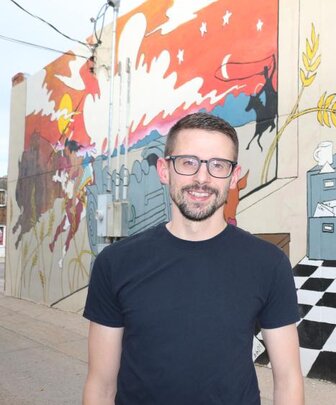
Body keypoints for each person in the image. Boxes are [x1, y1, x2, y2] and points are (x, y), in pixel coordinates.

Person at [82, 112, 303, 404]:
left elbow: (288, 379)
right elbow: (100, 384)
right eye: (188, 162)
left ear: (233, 177)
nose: (202, 178)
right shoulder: (115, 264)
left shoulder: (268, 263)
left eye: (218, 165)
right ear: (164, 170)